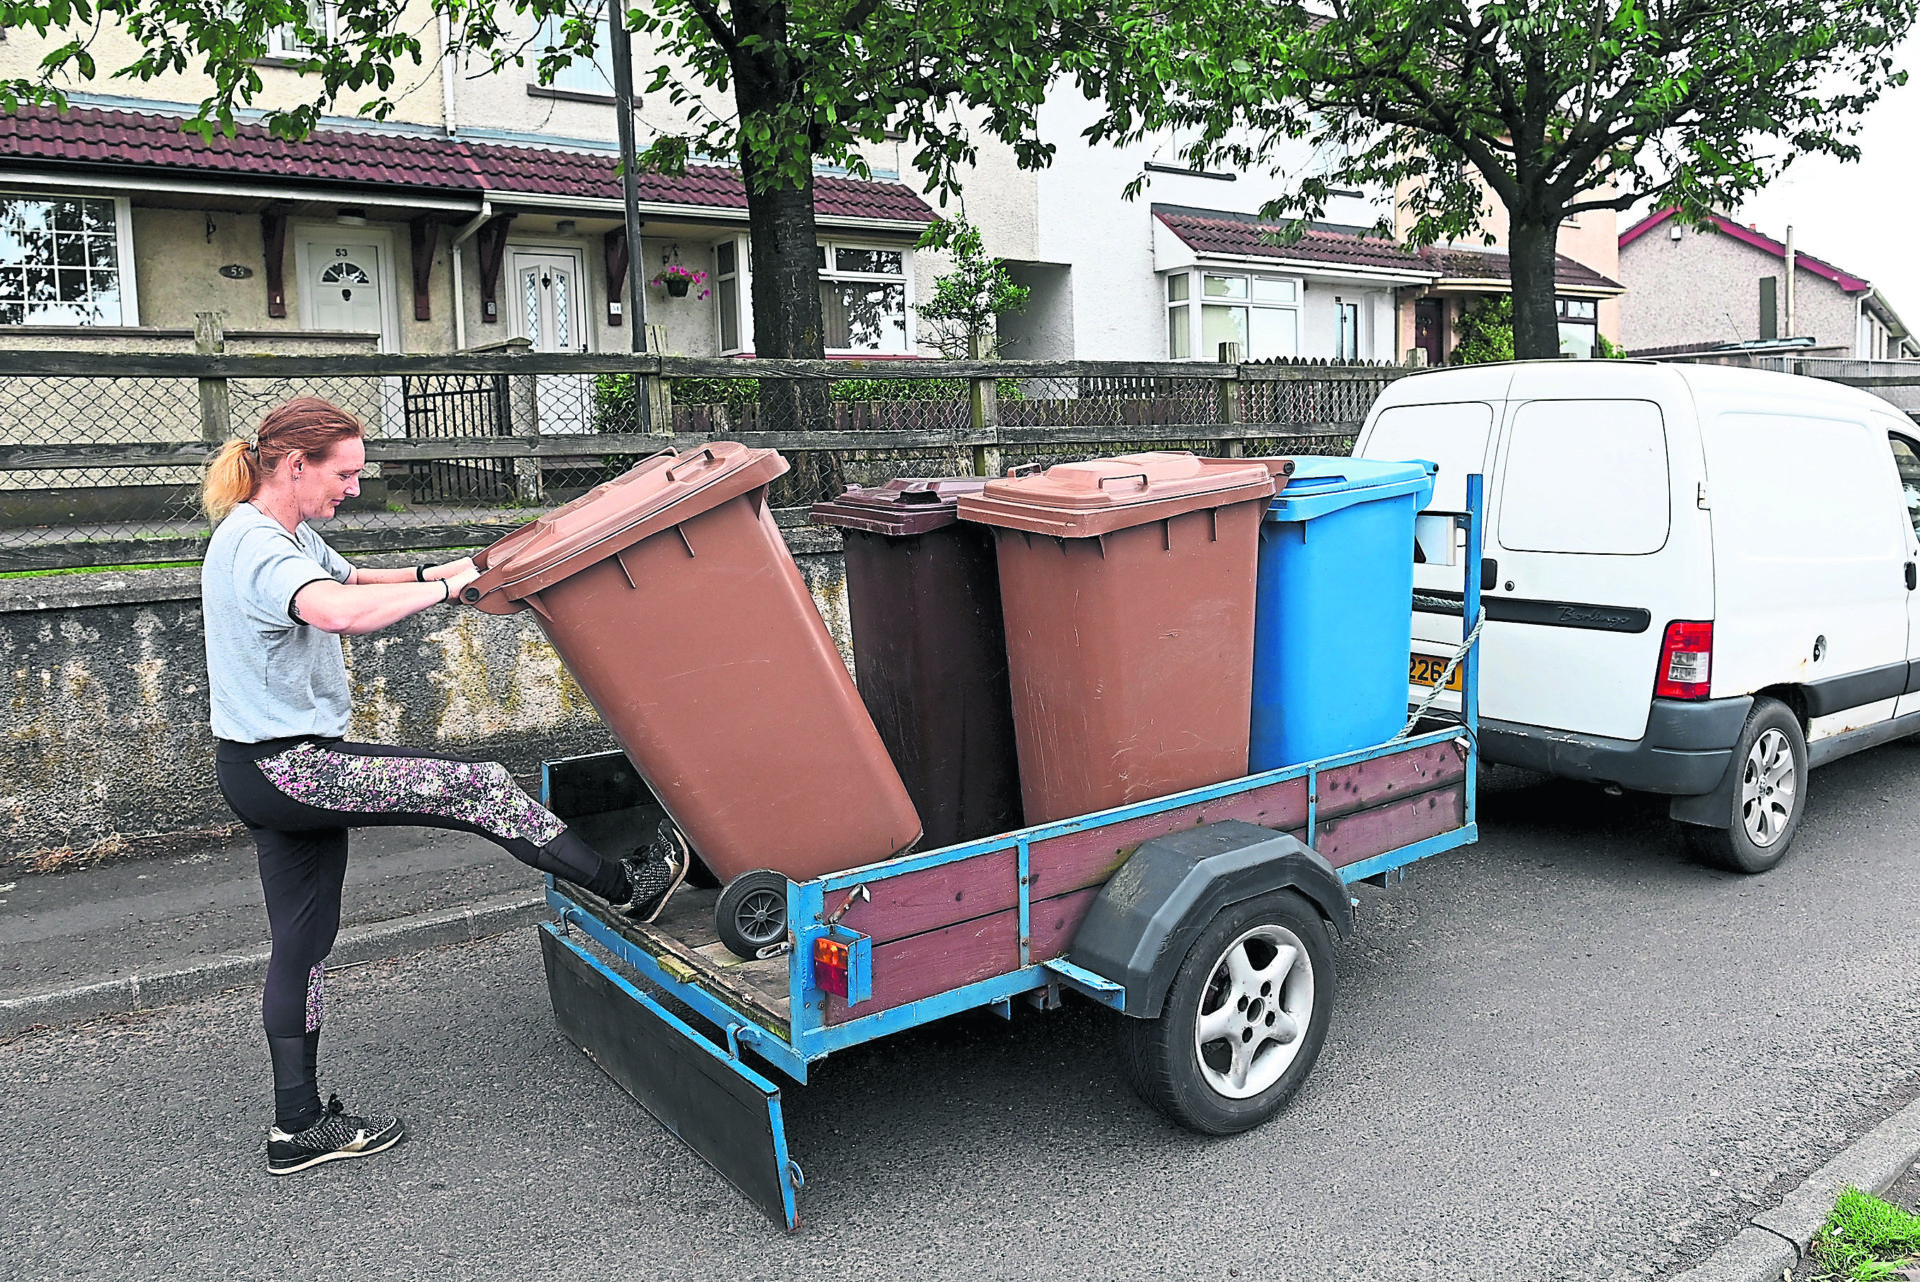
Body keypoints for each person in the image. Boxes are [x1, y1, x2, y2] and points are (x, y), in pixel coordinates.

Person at [200, 397, 686, 1176]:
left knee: (303, 944)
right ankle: (627, 887)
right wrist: (442, 593)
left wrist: (450, 573)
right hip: (291, 768)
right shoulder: (257, 545)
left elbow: (356, 577)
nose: (354, 488)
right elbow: (338, 610)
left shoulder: (278, 531)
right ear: (294, 465)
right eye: (344, 474)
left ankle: (296, 1127)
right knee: (477, 787)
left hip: (260, 768)